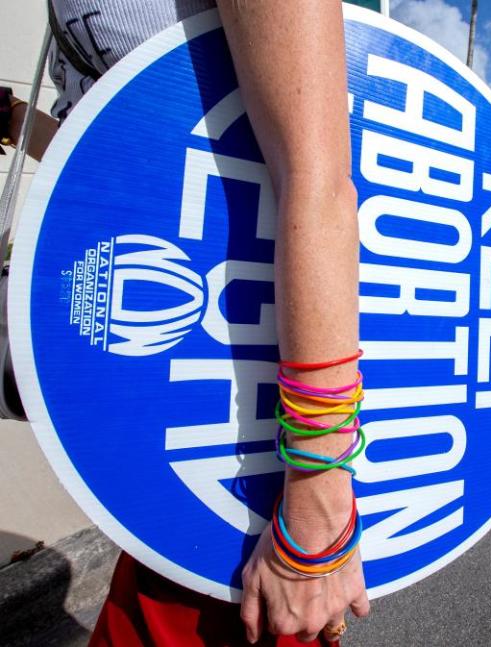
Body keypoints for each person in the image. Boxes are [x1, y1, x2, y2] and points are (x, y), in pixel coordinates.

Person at [4, 3, 369, 645]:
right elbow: (133, 150)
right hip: (164, 402)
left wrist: (317, 513)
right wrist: (15, 123)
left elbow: (319, 180)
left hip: (244, 410)